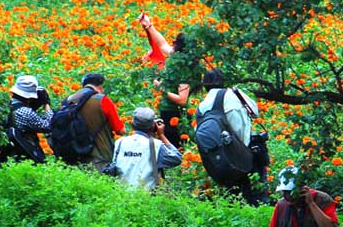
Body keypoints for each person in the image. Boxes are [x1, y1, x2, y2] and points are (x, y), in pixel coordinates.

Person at [196, 68, 270, 204]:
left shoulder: (201, 108)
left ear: (205, 85)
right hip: (250, 153)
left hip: (225, 160)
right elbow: (255, 112)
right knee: (258, 196)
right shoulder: (234, 94)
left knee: (235, 198)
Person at [139, 13, 191, 147]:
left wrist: (161, 88)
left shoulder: (183, 68)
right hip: (168, 112)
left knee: (176, 148)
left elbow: (182, 99)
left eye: (175, 42)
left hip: (176, 115)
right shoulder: (179, 58)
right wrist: (149, 26)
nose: (171, 44)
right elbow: (162, 44)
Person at [108, 107, 183, 190]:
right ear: (152, 127)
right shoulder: (156, 145)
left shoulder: (120, 142)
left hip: (121, 195)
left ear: (132, 125)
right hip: (146, 197)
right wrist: (161, 135)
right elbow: (177, 158)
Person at [63, 72, 124, 172]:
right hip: (99, 157)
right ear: (99, 86)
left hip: (73, 156)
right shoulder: (102, 100)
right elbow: (120, 130)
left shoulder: (68, 101)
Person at [5, 75, 53, 163]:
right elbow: (49, 126)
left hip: (7, 153)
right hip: (25, 156)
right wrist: (46, 104)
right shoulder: (26, 112)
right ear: (30, 97)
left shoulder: (5, 106)